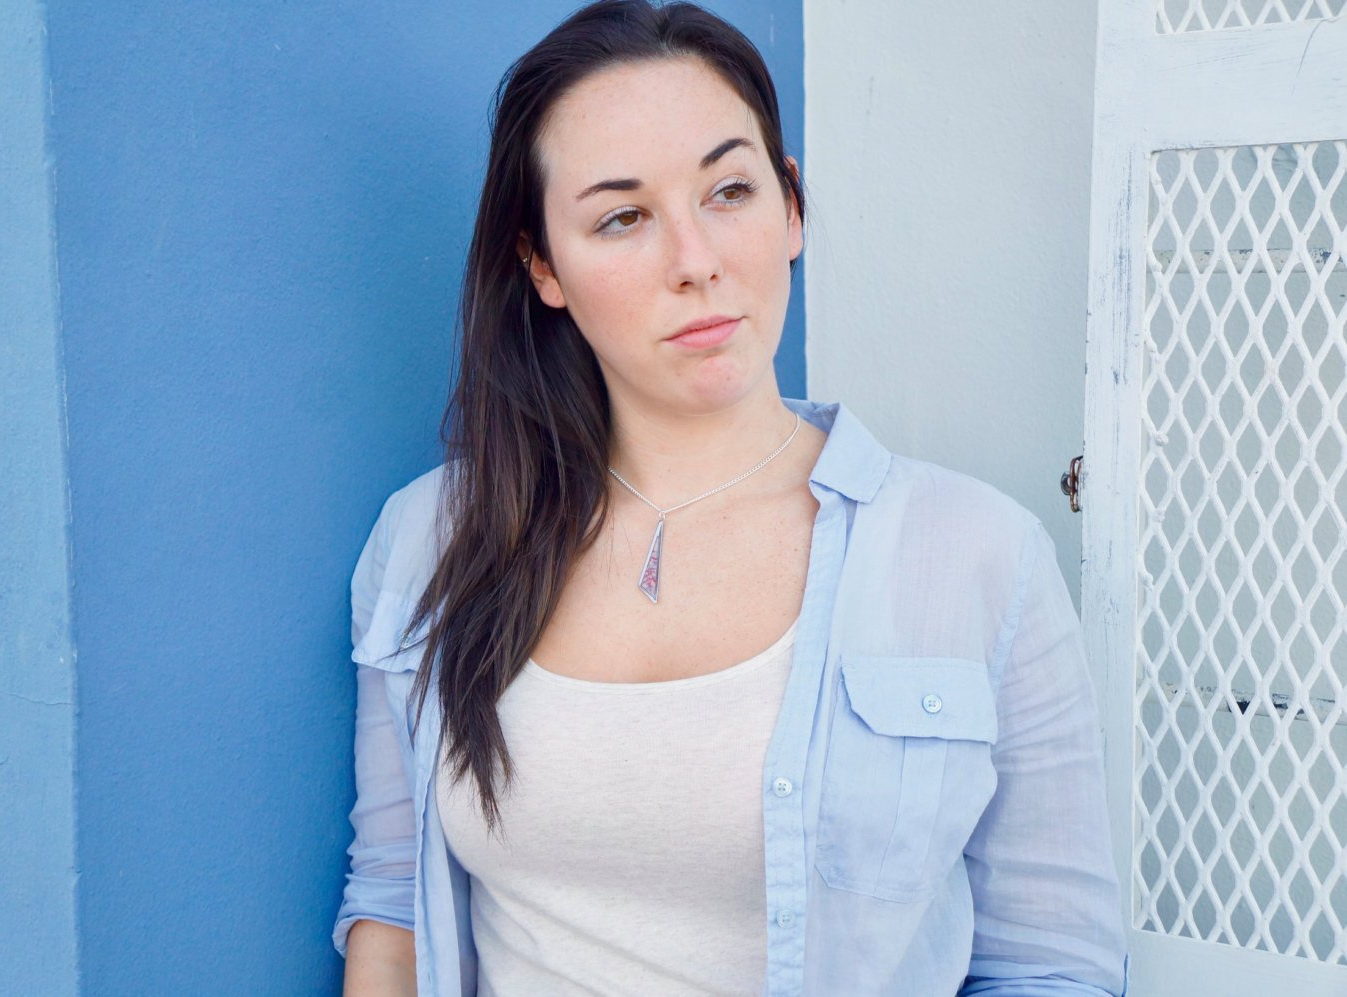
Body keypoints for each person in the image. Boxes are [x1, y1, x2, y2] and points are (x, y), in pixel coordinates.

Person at [332, 1, 1130, 994]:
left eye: (730, 190)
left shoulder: (977, 557)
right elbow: (393, 913)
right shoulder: (428, 543)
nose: (696, 260)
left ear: (790, 207)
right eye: (623, 216)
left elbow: (1052, 962)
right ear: (543, 264)